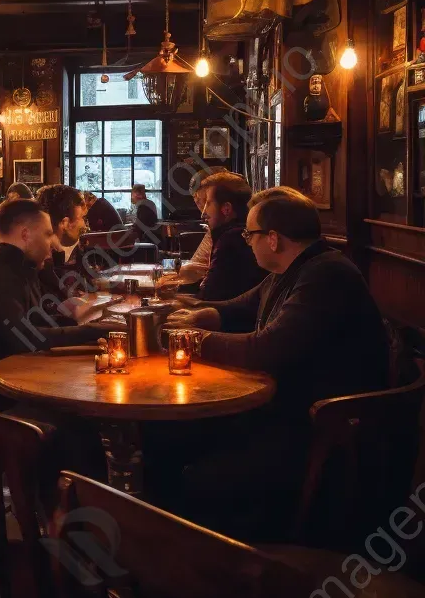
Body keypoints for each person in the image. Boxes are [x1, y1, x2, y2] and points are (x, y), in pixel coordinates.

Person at [165, 186, 388, 536]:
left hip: (318, 429)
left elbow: (266, 349)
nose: (245, 240)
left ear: (272, 239)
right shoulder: (295, 268)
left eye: (249, 233)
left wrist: (190, 341)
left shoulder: (326, 273)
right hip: (286, 409)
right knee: (172, 436)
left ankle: (218, 565)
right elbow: (239, 306)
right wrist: (194, 314)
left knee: (192, 468)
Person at [0, 198, 109, 410]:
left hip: (22, 379)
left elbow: (35, 321)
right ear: (26, 234)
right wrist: (94, 331)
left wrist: (90, 326)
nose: (53, 243)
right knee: (84, 419)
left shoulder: (15, 266)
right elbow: (26, 337)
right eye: (47, 234)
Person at [195, 173, 266, 302]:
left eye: (208, 203)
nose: (203, 213)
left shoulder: (231, 239)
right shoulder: (238, 233)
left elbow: (210, 296)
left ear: (226, 209)